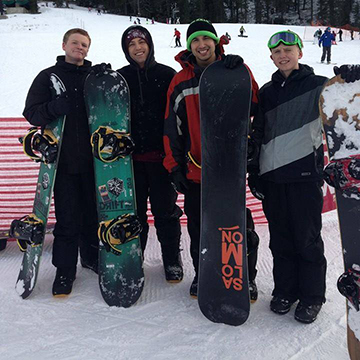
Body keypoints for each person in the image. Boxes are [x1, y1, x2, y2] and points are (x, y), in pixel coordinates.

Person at [249, 30, 360, 324]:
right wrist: (254, 172)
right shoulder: (265, 92)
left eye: (289, 49)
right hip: (272, 178)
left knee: (307, 240)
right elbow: (258, 133)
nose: (283, 55)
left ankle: (312, 297)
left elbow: (344, 105)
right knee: (280, 240)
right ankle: (285, 291)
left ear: (300, 52)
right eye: (277, 52)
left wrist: (351, 82)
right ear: (271, 57)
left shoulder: (318, 86)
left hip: (304, 176)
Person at [163, 18, 260, 300]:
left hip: (229, 173)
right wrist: (174, 168)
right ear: (189, 45)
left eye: (206, 39)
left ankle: (245, 277)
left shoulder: (235, 71)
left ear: (216, 42)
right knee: (200, 229)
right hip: (196, 172)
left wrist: (239, 76)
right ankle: (204, 274)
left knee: (237, 227)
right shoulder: (180, 82)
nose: (201, 45)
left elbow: (253, 107)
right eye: (195, 40)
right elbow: (172, 128)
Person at [23, 28, 99, 297]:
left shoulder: (94, 77)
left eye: (85, 45)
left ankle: (91, 258)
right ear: (64, 44)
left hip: (95, 163)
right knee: (68, 220)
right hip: (64, 164)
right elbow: (31, 112)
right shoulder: (48, 77)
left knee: (94, 216)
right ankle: (65, 270)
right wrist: (54, 108)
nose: (81, 48)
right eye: (76, 43)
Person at [117, 26, 183, 283]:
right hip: (129, 162)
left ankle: (171, 259)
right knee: (135, 215)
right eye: (131, 45)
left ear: (150, 44)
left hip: (162, 160)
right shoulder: (119, 77)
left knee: (165, 212)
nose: (137, 48)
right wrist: (98, 79)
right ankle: (135, 257)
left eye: (141, 42)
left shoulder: (167, 75)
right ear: (126, 50)